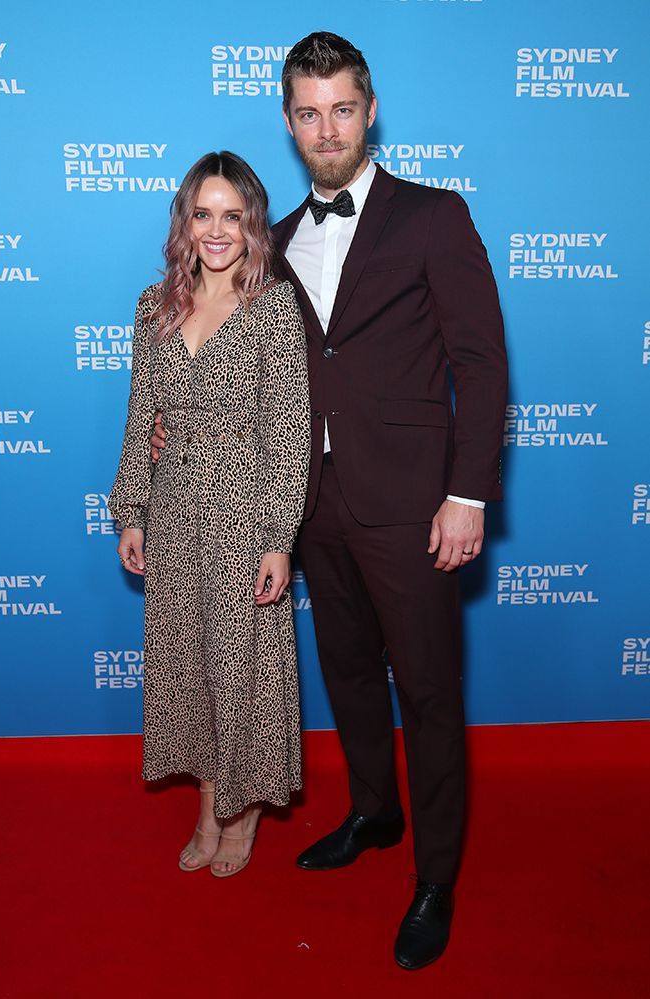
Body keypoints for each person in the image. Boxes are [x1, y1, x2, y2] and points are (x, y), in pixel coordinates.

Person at [153, 32, 507, 967]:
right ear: (287, 121)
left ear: (370, 108)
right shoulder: (270, 246)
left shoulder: (434, 215)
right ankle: (373, 814)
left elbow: (479, 360)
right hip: (311, 504)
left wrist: (467, 493)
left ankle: (434, 877)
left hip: (412, 503)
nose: (325, 127)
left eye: (341, 108)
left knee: (426, 692)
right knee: (348, 673)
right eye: (307, 112)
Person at [109, 150, 310, 878]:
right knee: (186, 666)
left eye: (232, 216)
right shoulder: (152, 305)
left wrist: (277, 537)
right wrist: (131, 508)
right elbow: (141, 418)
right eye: (204, 214)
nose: (217, 231)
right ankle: (207, 803)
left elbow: (289, 430)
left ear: (252, 224)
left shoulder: (273, 306)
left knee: (242, 667)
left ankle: (243, 812)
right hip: (172, 506)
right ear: (184, 224)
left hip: (243, 503)